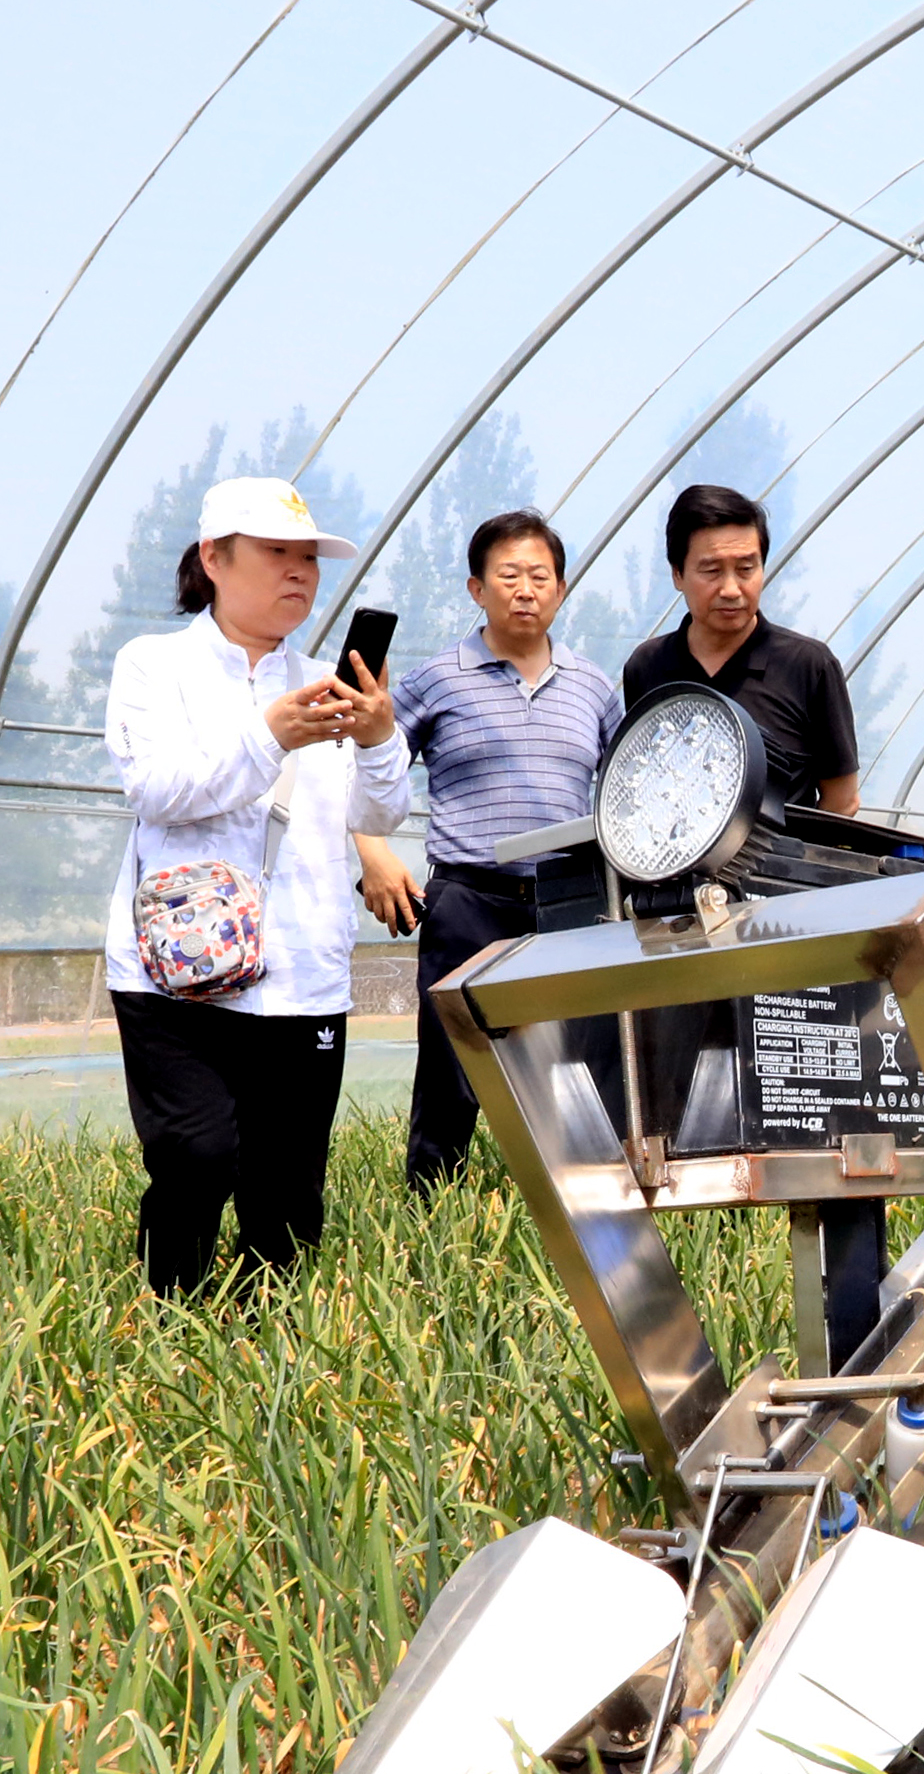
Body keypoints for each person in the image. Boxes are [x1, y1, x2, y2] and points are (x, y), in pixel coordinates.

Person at [103, 476, 412, 1295]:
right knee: (195, 1156)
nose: (299, 572)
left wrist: (379, 739)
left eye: (309, 558)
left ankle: (265, 1338)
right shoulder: (153, 666)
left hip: (301, 973)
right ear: (214, 558)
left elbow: (377, 812)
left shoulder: (322, 682)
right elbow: (156, 788)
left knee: (286, 1196)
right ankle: (168, 1317)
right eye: (277, 552)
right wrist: (268, 735)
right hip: (173, 972)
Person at [353, 511, 621, 1189]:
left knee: (576, 1061)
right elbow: (366, 760)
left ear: (561, 589)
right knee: (454, 1064)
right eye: (509, 575)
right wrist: (372, 851)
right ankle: (432, 1200)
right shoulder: (438, 679)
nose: (525, 590)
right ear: (477, 588)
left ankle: (581, 1199)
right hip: (468, 899)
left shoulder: (593, 687)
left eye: (540, 576)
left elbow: (628, 786)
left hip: (568, 904)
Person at [622, 483, 859, 817]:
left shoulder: (808, 665)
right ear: (677, 574)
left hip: (779, 852)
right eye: (712, 571)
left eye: (746, 569)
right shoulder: (647, 667)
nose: (731, 589)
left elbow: (842, 800)